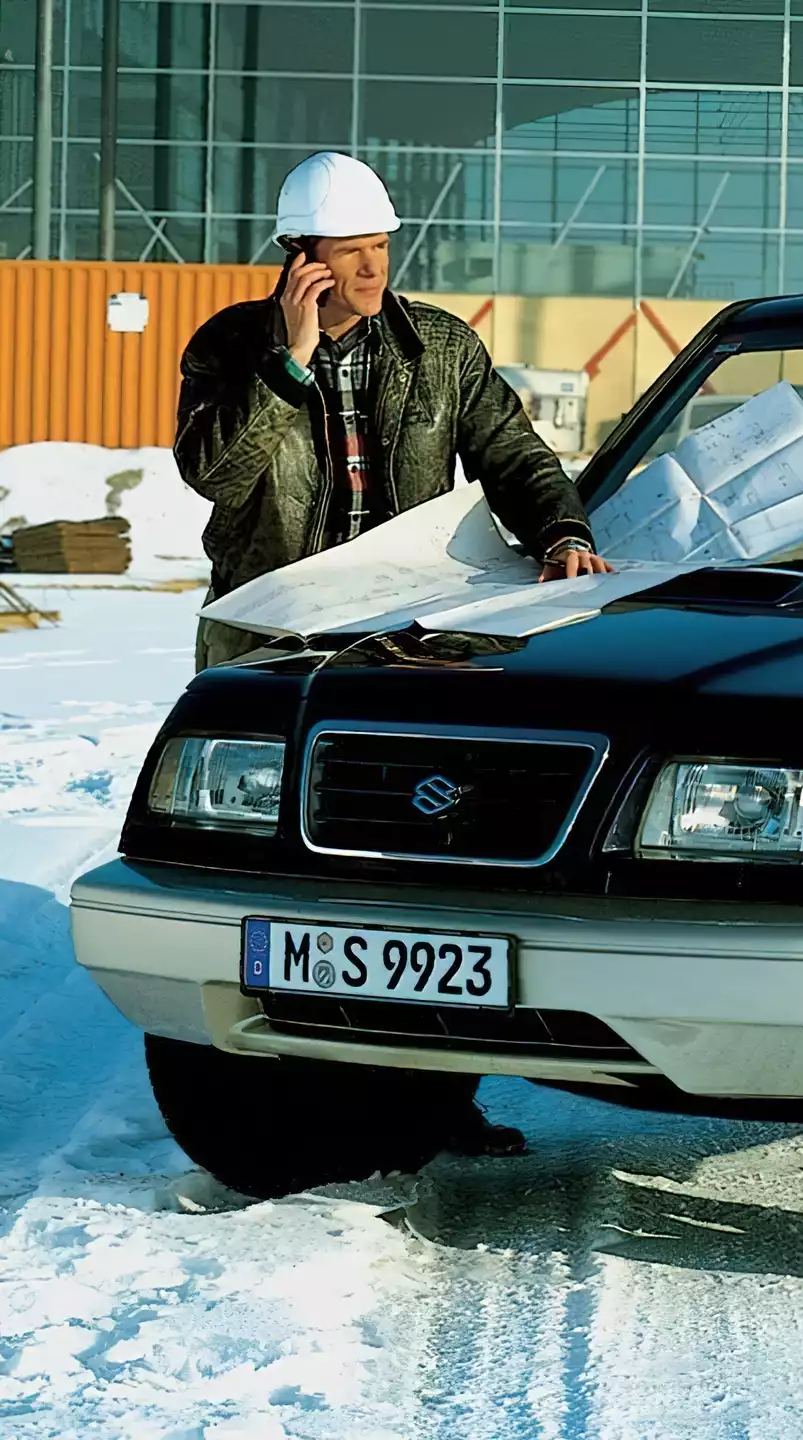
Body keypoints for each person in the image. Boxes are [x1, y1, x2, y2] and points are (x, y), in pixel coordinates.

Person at [172, 151, 611, 1158]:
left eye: (380, 247)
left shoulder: (441, 348)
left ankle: (433, 1107)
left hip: (407, 645)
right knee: (269, 875)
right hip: (274, 644)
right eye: (350, 252)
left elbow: (513, 453)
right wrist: (287, 362)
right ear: (300, 258)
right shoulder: (230, 346)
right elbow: (214, 475)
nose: (373, 269)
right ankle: (271, 1098)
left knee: (425, 872)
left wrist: (559, 529)